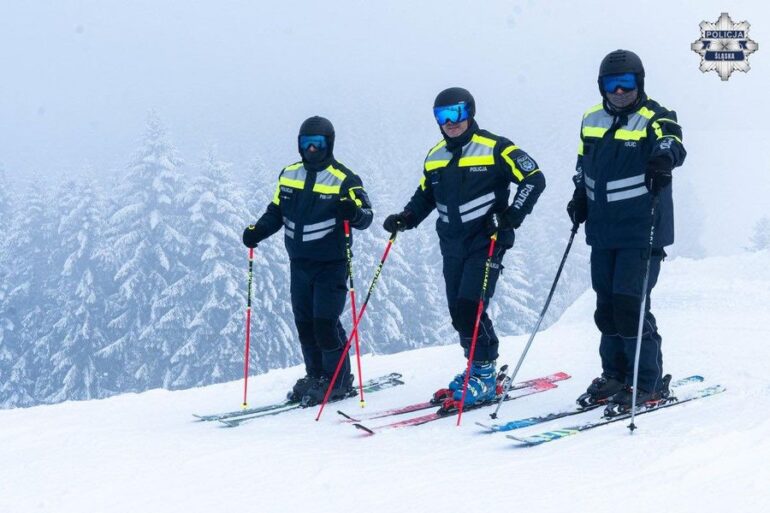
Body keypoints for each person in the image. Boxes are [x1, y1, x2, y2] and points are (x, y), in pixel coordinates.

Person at [383, 87, 545, 406]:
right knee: (459, 311)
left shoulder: (496, 147)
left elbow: (534, 178)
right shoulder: (435, 156)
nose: (450, 122)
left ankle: (483, 375)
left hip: (486, 240)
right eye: (442, 116)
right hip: (452, 244)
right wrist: (406, 218)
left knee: (472, 305)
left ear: (469, 112)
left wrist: (510, 217)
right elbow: (425, 195)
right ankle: (478, 367)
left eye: (456, 114)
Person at [568, 50, 687, 414]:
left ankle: (647, 382)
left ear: (640, 83)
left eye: (627, 84)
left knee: (630, 305)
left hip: (642, 229)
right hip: (603, 230)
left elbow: (672, 141)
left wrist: (663, 158)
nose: (619, 91)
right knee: (606, 307)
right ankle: (616, 375)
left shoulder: (655, 117)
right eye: (610, 85)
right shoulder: (591, 118)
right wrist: (579, 195)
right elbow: (582, 162)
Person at [242, 116, 373, 405]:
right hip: (299, 263)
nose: (312, 150)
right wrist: (258, 231)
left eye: (318, 144)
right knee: (304, 323)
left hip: (331, 263)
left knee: (325, 323)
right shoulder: (289, 174)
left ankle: (337, 380)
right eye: (306, 144)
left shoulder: (344, 178)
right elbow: (276, 211)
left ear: (329, 144)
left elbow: (366, 216)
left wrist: (353, 211)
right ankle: (316, 375)